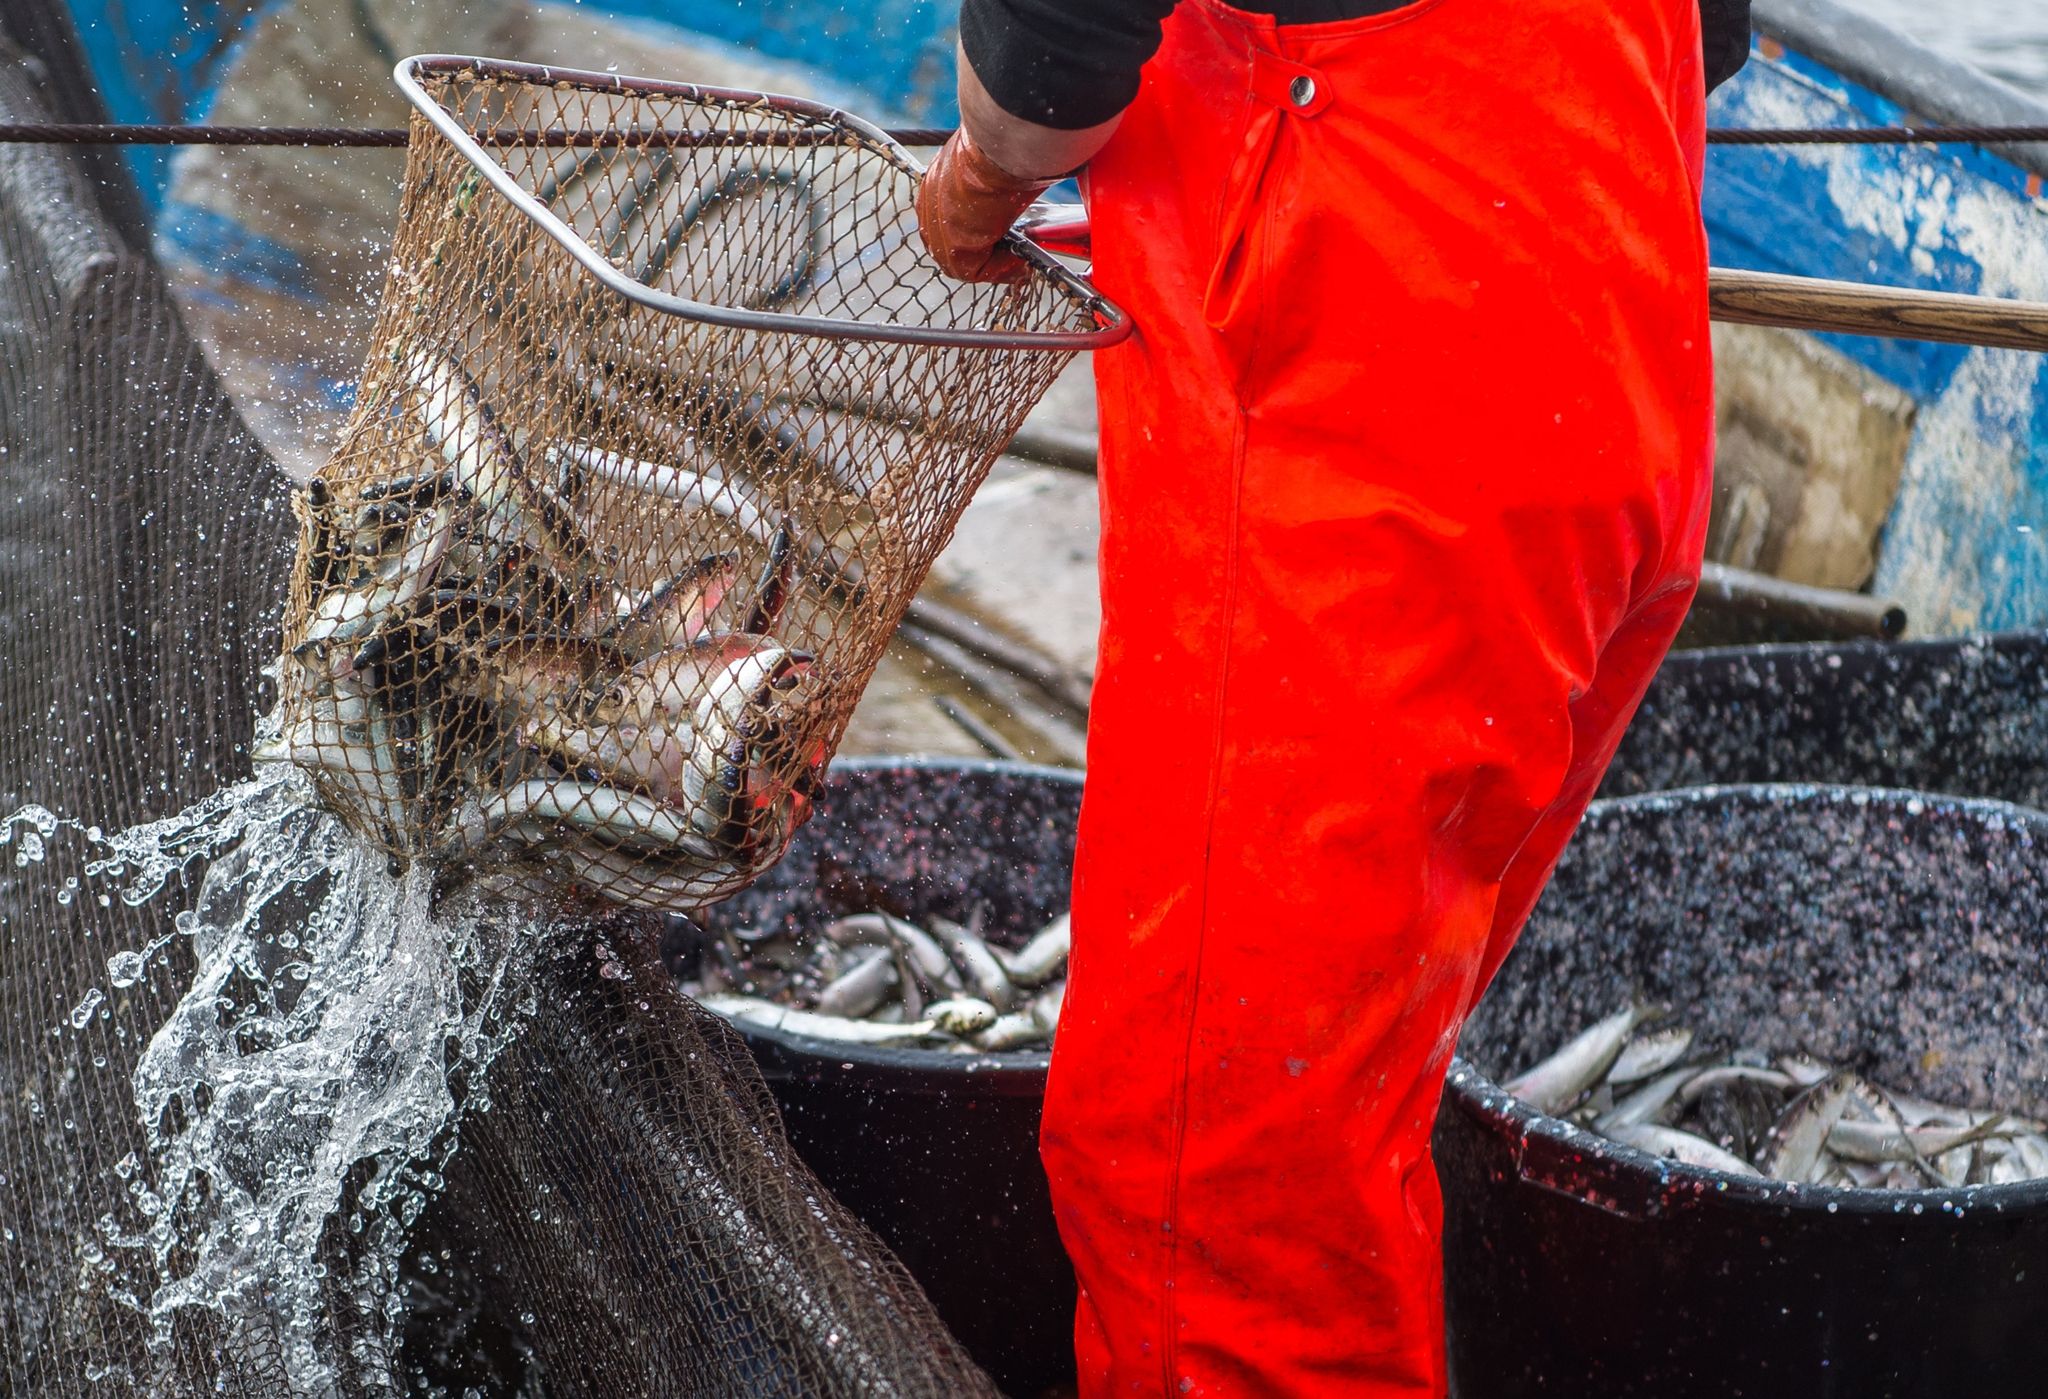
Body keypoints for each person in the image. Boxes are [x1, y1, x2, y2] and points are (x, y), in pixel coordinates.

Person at [917, 2, 1749, 1393]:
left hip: (1371, 418)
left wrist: (979, 181)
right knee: (1346, 1098)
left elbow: (1050, 66)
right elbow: (1709, 34)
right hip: (1606, 350)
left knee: (1216, 1182)